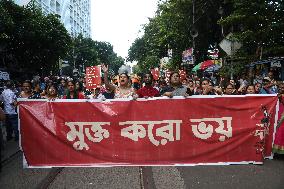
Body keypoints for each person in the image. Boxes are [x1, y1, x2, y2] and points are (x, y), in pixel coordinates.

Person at [273, 82, 284, 154]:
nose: (281, 88)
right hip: (277, 114)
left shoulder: (281, 96)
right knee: (277, 132)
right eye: (280, 87)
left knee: (281, 132)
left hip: (282, 116)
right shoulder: (275, 95)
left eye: (283, 88)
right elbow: (265, 88)